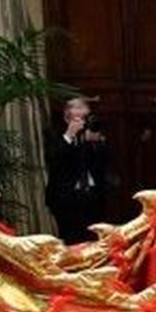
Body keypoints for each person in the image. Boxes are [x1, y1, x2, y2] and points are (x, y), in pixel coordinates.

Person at [45, 96, 111, 244]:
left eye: (84, 112)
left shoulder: (92, 130)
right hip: (66, 197)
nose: (82, 116)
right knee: (70, 239)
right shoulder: (55, 133)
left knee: (93, 239)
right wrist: (69, 135)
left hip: (92, 195)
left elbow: (106, 159)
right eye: (78, 110)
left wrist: (96, 143)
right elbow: (53, 159)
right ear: (67, 115)